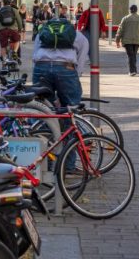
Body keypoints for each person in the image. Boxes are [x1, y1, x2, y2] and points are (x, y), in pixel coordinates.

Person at [32, 19, 89, 171]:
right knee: (70, 114)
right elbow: (80, 63)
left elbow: (35, 55)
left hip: (41, 67)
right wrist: (70, 82)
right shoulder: (79, 36)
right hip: (66, 68)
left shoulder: (42, 34)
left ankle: (46, 163)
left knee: (43, 113)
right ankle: (67, 165)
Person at [115, 5, 139, 76]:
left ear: (129, 10)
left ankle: (132, 71)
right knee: (133, 55)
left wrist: (117, 40)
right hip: (137, 40)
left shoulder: (125, 18)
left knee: (131, 55)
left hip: (127, 41)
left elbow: (120, 30)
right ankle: (134, 70)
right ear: (136, 10)